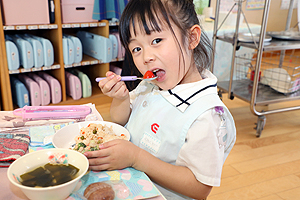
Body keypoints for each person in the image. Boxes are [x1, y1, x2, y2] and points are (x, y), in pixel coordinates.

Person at [85, 0, 236, 199]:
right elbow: (120, 119)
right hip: (129, 186)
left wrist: (136, 157)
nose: (146, 57)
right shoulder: (150, 85)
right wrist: (121, 98)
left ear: (191, 38)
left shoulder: (207, 115)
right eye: (136, 49)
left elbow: (198, 187)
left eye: (156, 40)